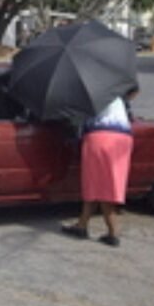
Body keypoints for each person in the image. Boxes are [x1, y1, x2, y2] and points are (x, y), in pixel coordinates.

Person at [61, 94, 134, 247]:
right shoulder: (115, 92)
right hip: (123, 137)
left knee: (100, 184)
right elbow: (134, 91)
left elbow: (75, 119)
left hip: (101, 137)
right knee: (98, 183)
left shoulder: (89, 95)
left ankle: (113, 232)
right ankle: (82, 225)